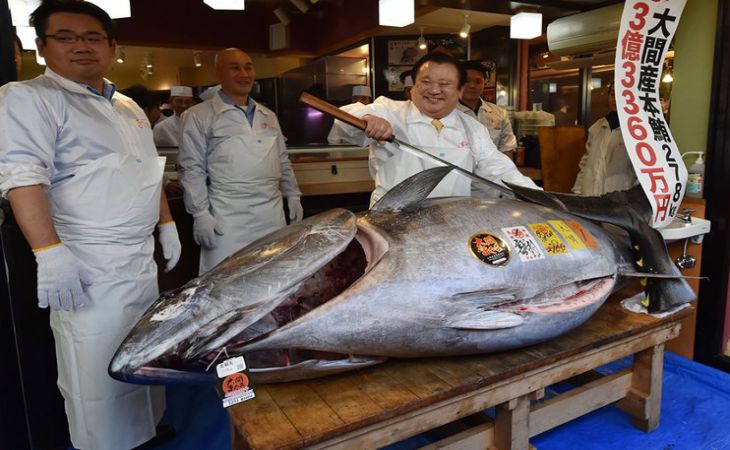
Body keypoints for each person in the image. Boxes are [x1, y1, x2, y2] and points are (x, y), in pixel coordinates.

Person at [0, 2, 181, 449]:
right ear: (42, 47)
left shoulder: (128, 105)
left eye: (92, 37)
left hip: (138, 260)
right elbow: (22, 178)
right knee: (94, 365)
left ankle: (146, 432)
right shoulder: (28, 98)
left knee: (143, 352)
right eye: (65, 37)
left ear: (112, 47)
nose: (81, 46)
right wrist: (49, 253)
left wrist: (166, 222)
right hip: (85, 261)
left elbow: (146, 170)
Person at [328, 52, 537, 207]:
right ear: (414, 86)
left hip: (451, 220)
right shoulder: (389, 110)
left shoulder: (472, 128)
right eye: (426, 82)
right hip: (392, 220)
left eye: (445, 84)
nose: (434, 90)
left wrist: (541, 199)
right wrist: (367, 119)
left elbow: (501, 169)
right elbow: (343, 123)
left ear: (459, 90)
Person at [179, 48, 303, 274]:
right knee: (225, 279)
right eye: (234, 68)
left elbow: (282, 160)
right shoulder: (199, 115)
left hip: (271, 213)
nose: (244, 74)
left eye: (248, 67)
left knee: (271, 276)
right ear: (218, 73)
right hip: (227, 216)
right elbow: (192, 168)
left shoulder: (268, 115)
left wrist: (293, 194)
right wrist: (200, 214)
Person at [572, 82, 638, 196]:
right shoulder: (596, 127)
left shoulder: (637, 131)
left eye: (621, 95)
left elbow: (641, 174)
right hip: (589, 196)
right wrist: (577, 191)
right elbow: (586, 163)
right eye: (613, 94)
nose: (615, 99)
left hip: (618, 199)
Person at [457, 61, 517, 155]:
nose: (472, 86)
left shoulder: (500, 113)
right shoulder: (444, 113)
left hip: (492, 168)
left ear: (484, 83)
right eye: (466, 81)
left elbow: (507, 148)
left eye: (478, 81)